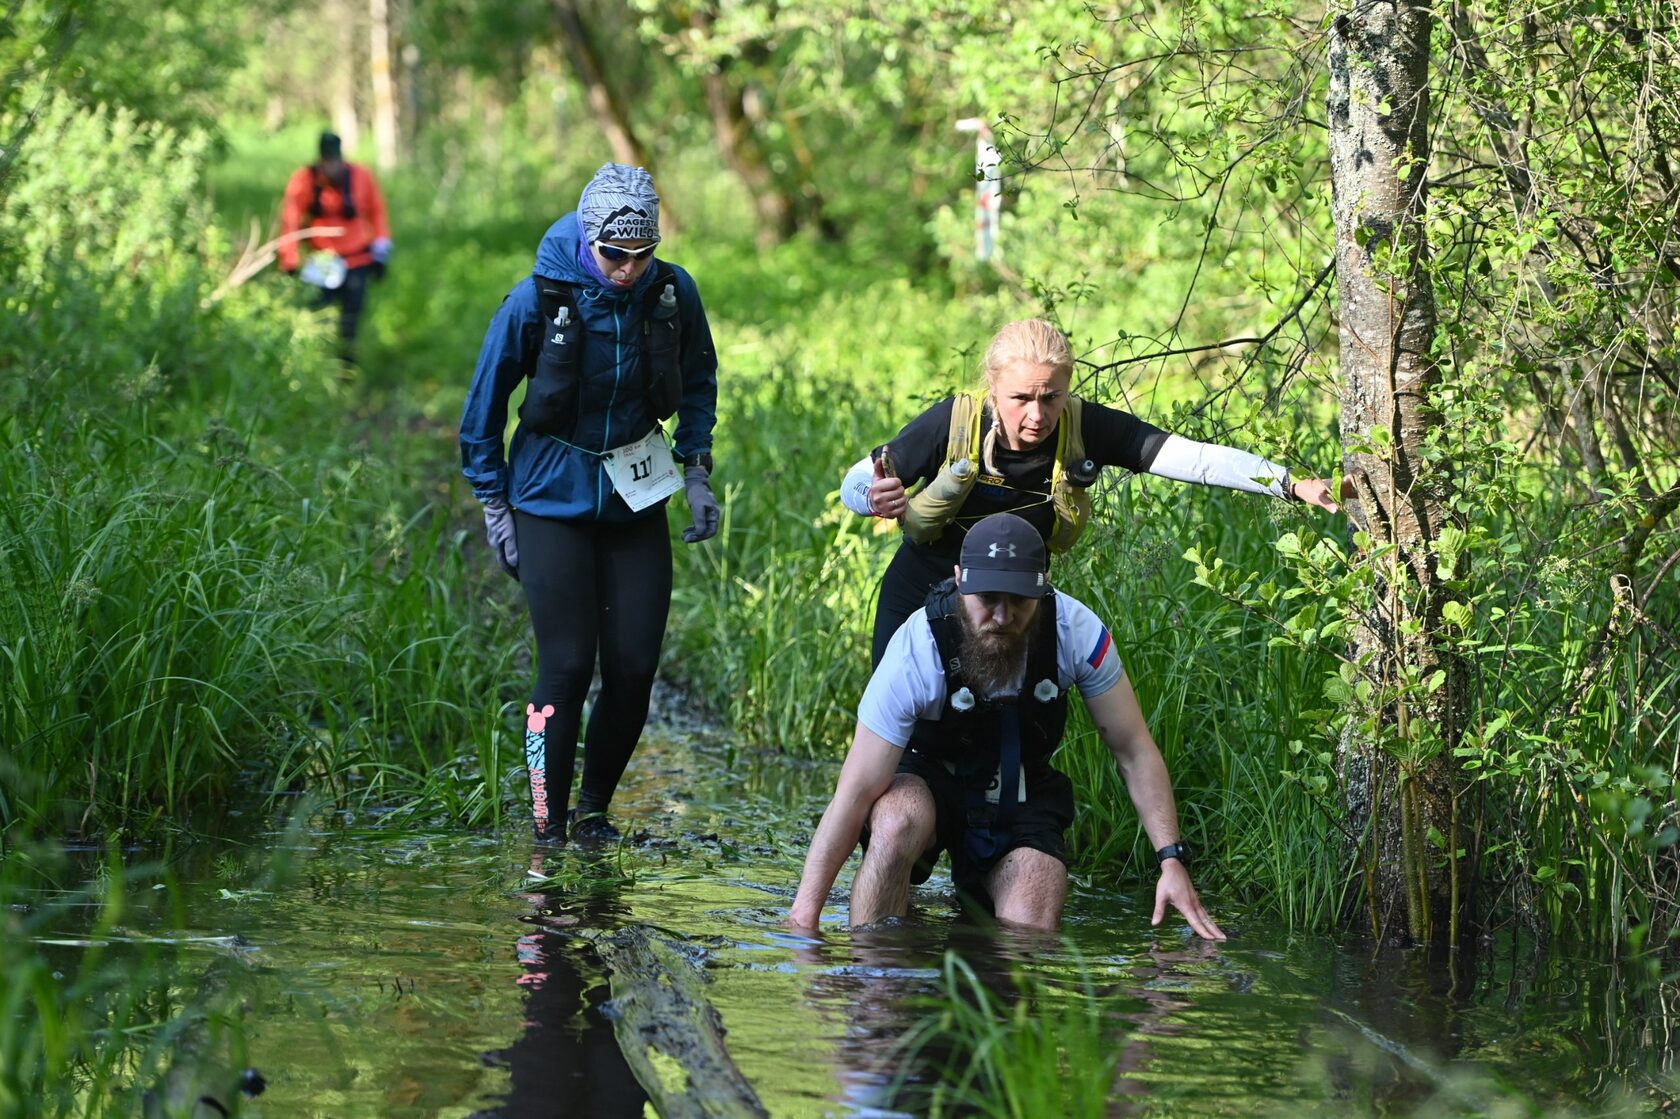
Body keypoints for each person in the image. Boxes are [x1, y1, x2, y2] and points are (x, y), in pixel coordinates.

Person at [787, 512, 1225, 939]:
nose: (1002, 616)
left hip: (1022, 791)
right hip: (928, 779)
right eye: (988, 598)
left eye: (1019, 599)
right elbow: (855, 792)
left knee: (1034, 907)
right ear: (960, 580)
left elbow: (1133, 749)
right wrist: (804, 923)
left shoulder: (1079, 633)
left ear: (1044, 588)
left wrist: (1171, 860)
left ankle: (1001, 999)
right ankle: (873, 982)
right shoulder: (915, 649)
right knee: (897, 819)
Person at [458, 163, 720, 844]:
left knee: (634, 666)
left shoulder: (671, 293)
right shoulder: (535, 300)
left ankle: (594, 811)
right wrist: (493, 502)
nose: (629, 269)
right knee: (568, 663)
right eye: (614, 255)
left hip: (635, 497)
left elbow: (698, 378)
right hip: (548, 495)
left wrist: (697, 469)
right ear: (586, 239)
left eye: (642, 254)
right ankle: (547, 822)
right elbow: (482, 407)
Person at [840, 318, 1347, 664]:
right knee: (898, 740)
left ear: (1068, 387)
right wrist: (873, 498)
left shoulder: (1084, 425)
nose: (1037, 415)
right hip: (920, 589)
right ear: (993, 387)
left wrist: (1289, 483)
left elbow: (1193, 458)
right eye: (1020, 398)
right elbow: (855, 481)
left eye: (1051, 397)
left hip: (1012, 606)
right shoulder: (954, 422)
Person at [278, 131, 393, 359]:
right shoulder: (304, 180)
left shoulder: (361, 176)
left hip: (357, 260)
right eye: (327, 162)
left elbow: (377, 213)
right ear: (320, 160)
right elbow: (290, 220)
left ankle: (346, 370)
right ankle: (317, 366)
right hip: (322, 261)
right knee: (317, 319)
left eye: (335, 161)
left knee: (350, 321)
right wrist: (289, 260)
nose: (332, 167)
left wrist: (381, 251)